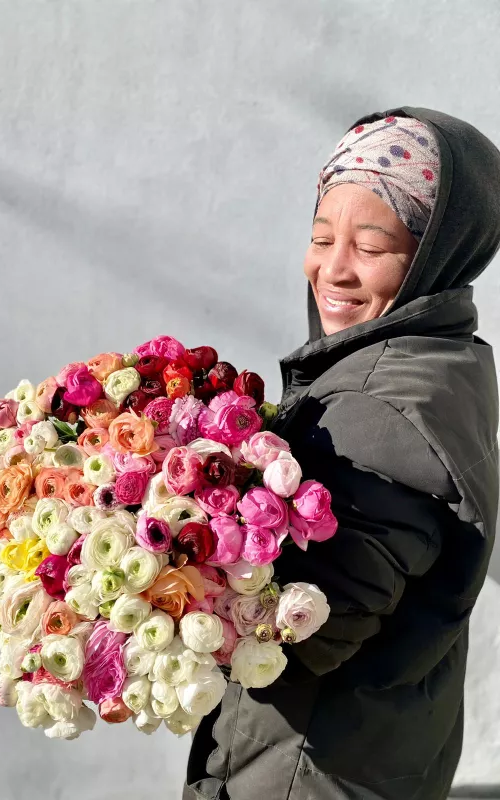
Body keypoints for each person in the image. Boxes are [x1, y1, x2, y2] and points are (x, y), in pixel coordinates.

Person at [183, 107, 500, 800]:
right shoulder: (450, 358)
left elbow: (299, 637)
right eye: (321, 237)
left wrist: (158, 557)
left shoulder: (376, 409)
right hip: (378, 754)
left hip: (307, 774)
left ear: (438, 253)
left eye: (373, 245)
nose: (334, 269)